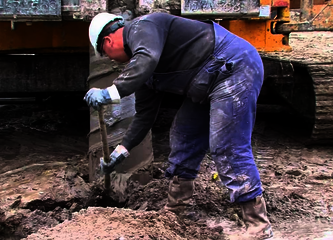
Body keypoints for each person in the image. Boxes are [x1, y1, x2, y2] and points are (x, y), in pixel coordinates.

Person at [85, 12, 273, 239]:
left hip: (235, 66)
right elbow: (145, 115)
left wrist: (108, 93)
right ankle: (177, 211)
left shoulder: (144, 27)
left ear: (107, 42)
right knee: (183, 135)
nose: (112, 60)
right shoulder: (143, 69)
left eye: (106, 55)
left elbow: (147, 59)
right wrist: (120, 152)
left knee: (226, 146)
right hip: (207, 83)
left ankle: (258, 225)